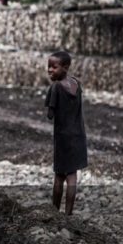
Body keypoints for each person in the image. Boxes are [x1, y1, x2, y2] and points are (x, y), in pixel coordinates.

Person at [44, 51, 87, 216]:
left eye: (53, 67)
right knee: (72, 176)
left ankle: (54, 213)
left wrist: (52, 109)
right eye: (48, 67)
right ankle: (68, 214)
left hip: (63, 138)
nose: (49, 70)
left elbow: (50, 115)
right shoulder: (77, 84)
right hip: (79, 136)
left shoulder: (55, 87)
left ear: (65, 67)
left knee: (59, 177)